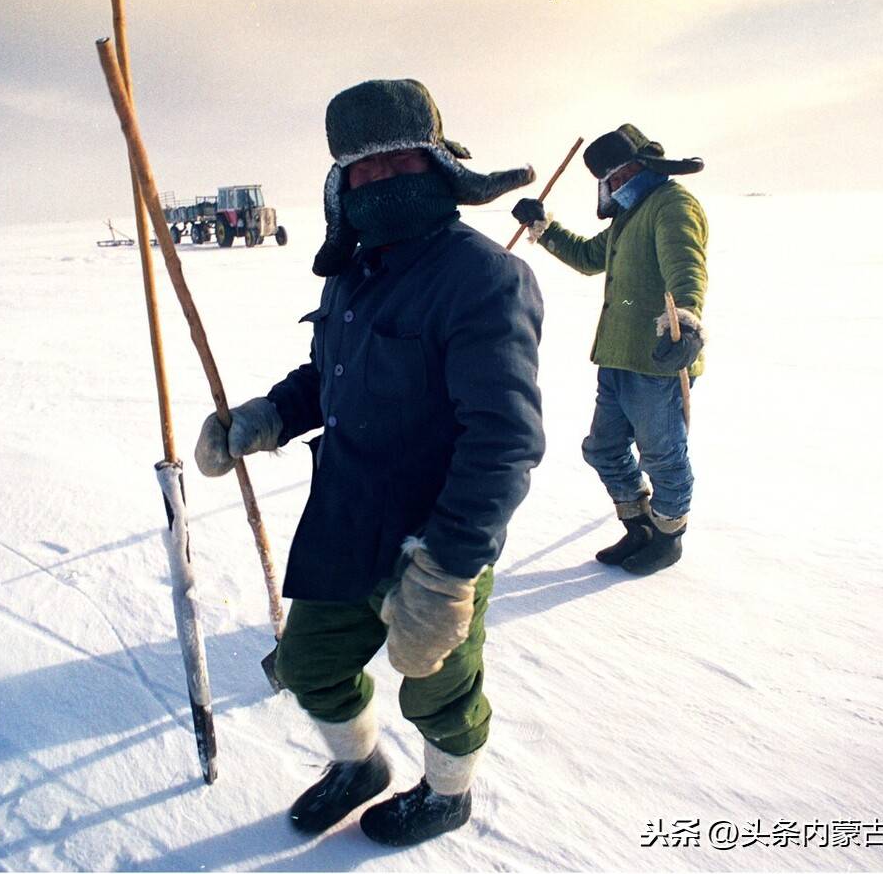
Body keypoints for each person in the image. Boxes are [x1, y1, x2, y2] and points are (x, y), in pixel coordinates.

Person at [194, 79, 545, 846]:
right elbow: (331, 375)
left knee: (439, 692)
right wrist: (267, 418)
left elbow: (503, 440)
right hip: (348, 519)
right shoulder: (354, 273)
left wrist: (448, 572)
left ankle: (448, 795)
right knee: (310, 664)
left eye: (398, 163)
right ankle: (358, 766)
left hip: (433, 541)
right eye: (363, 170)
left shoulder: (483, 278)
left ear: (436, 163)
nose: (380, 182)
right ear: (341, 185)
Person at [512, 124, 708, 575]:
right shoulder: (628, 214)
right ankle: (639, 526)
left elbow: (686, 267)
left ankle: (668, 535)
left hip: (659, 359)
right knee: (603, 449)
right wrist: (542, 227)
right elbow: (586, 257)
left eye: (624, 172)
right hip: (616, 357)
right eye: (610, 179)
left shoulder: (672, 205)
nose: (617, 184)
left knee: (662, 455)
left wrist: (687, 322)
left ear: (647, 165)